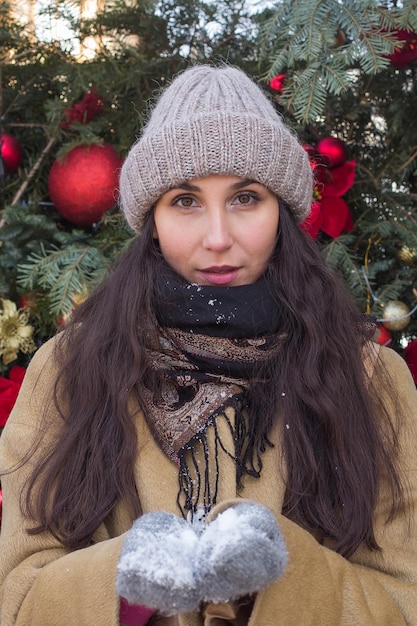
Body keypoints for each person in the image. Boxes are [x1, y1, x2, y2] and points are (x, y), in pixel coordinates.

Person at [1, 64, 417, 626]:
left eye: (245, 198)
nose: (218, 237)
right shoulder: (71, 367)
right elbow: (18, 596)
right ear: (152, 218)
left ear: (282, 213)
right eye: (186, 201)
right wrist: (130, 580)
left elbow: (404, 598)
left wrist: (278, 575)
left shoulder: (369, 378)